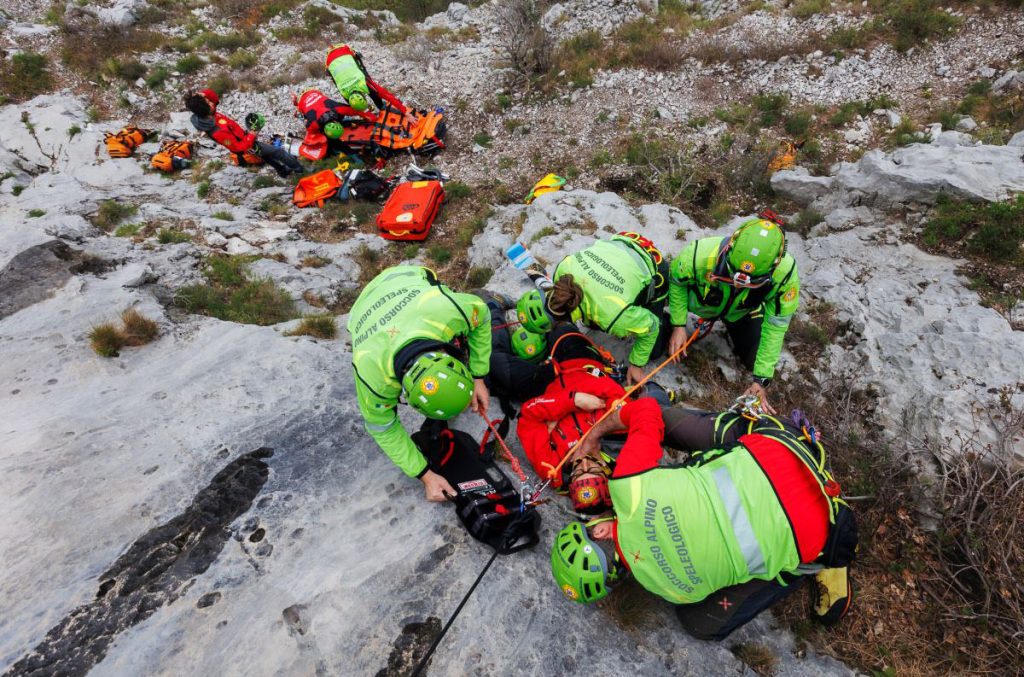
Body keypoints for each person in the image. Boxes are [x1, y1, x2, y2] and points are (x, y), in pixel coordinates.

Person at [550, 397, 857, 641]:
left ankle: (814, 563)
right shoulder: (627, 487)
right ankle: (759, 434)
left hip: (816, 530)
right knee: (661, 420)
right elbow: (646, 410)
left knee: (699, 624)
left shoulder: (672, 592)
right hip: (781, 448)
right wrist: (594, 435)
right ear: (601, 531)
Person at [347, 266, 492, 502]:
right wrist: (425, 475)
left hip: (409, 279)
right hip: (363, 310)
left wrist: (478, 376)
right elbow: (382, 428)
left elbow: (482, 314)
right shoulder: (372, 375)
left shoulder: (445, 311)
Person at [667, 213, 799, 414]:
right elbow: (676, 281)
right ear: (730, 246)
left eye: (751, 281)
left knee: (756, 360)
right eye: (733, 273)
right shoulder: (701, 254)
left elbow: (776, 327)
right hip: (703, 306)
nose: (738, 283)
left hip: (742, 313)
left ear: (775, 265)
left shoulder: (784, 277)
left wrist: (761, 381)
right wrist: (678, 325)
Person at [543, 233, 671, 386]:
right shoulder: (562, 273)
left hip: (654, 264)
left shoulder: (612, 314)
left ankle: (667, 320)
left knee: (654, 351)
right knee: (598, 319)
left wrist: (636, 365)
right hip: (622, 240)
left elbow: (651, 327)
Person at [183, 89, 303, 178]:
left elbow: (215, 98)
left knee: (266, 155)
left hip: (245, 138)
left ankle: (282, 170)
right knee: (278, 152)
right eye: (208, 102)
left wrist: (202, 94)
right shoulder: (217, 131)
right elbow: (238, 147)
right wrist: (252, 134)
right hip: (247, 146)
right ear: (205, 109)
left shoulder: (208, 115)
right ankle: (299, 169)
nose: (212, 102)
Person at [325, 43, 407, 114]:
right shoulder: (344, 92)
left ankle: (381, 106)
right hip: (330, 61)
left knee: (372, 89)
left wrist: (405, 112)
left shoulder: (363, 82)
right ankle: (377, 106)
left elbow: (386, 94)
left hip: (343, 50)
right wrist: (366, 112)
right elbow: (354, 107)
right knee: (338, 79)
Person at [294, 88, 374, 137]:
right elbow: (311, 131)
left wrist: (369, 116)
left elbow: (353, 110)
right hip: (309, 96)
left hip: (313, 92)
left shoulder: (335, 108)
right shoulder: (313, 123)